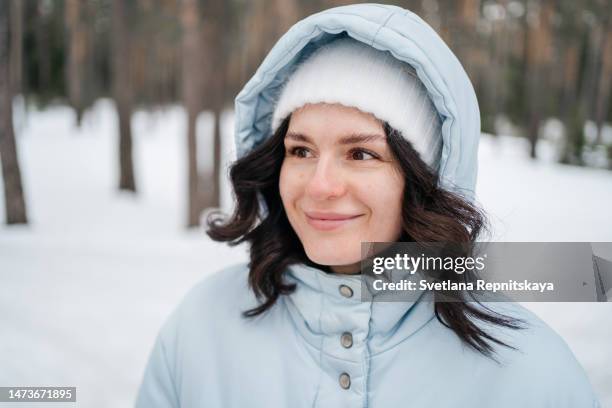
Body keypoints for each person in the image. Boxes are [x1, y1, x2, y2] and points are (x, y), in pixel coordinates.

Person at [135, 3, 600, 407]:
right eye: (301, 150)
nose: (320, 185)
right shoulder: (201, 327)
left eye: (361, 154)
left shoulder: (531, 370)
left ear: (425, 181)